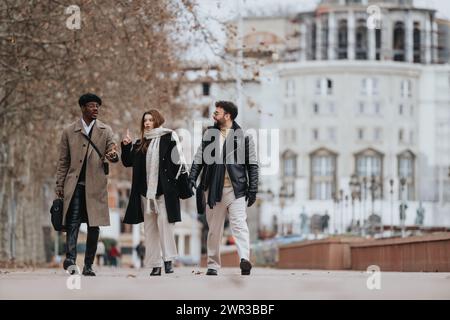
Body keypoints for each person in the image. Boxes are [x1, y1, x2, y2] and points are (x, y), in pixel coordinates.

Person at [188, 101, 259, 276]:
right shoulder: (209, 136)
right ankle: (213, 264)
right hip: (213, 189)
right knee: (214, 229)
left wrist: (253, 189)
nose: (214, 115)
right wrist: (191, 178)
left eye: (217, 113)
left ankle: (244, 259)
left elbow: (253, 165)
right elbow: (199, 159)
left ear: (227, 116)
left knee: (240, 226)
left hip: (236, 189)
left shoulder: (243, 137)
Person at [55, 93, 118, 276]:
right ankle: (71, 260)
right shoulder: (69, 131)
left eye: (97, 106)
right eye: (91, 106)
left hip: (96, 186)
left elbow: (113, 149)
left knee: (93, 225)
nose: (95, 108)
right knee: (72, 222)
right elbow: (63, 161)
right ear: (83, 108)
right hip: (73, 186)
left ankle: (89, 265)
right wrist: (59, 185)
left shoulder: (106, 130)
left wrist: (114, 155)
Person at [121, 110, 185, 276]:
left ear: (157, 121)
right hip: (145, 194)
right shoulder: (140, 143)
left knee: (165, 224)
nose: (147, 123)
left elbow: (178, 163)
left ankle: (168, 260)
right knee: (149, 230)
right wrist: (126, 146)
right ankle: (155, 265)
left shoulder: (169, 138)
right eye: (145, 121)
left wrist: (181, 185)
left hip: (165, 192)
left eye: (150, 120)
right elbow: (127, 162)